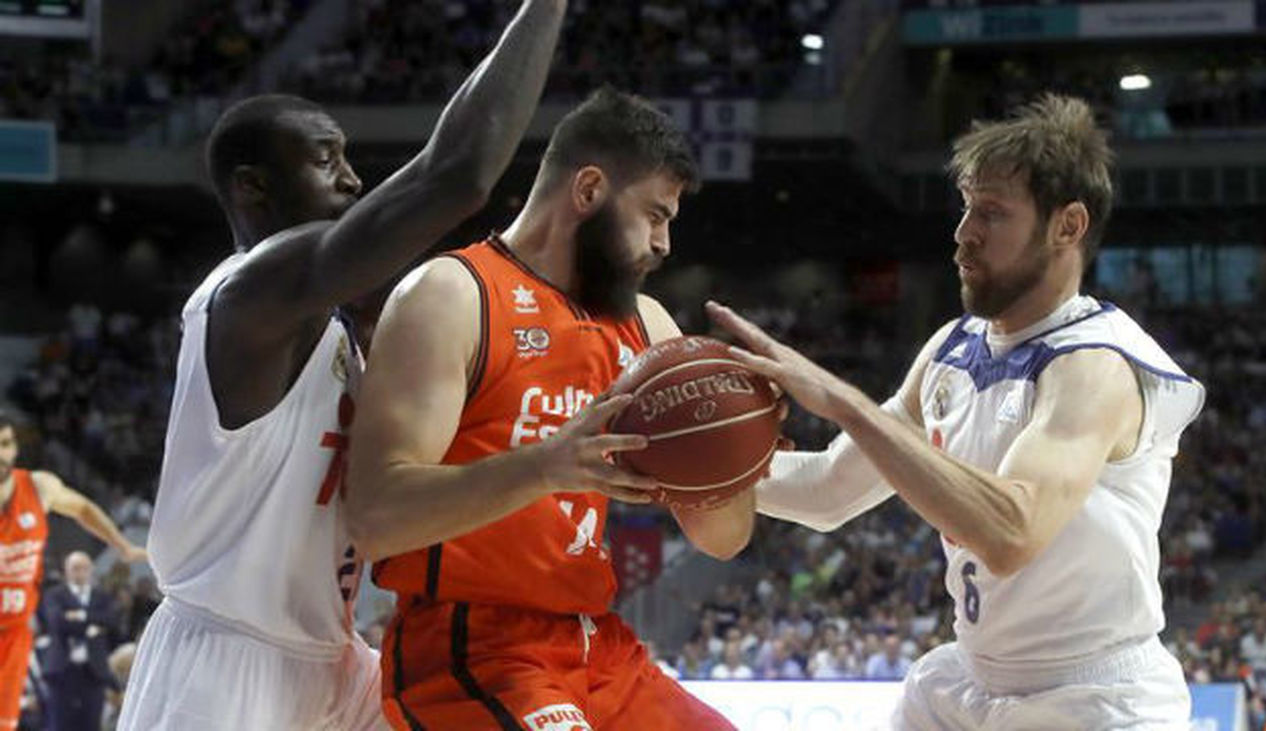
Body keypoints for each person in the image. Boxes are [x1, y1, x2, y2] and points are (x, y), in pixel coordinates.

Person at [117, 1, 569, 728]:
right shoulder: (247, 294)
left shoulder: (331, 328)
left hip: (331, 655)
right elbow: (454, 176)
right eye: (327, 159)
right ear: (252, 187)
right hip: (229, 662)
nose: (354, 179)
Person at [709, 94, 1205, 729]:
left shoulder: (1096, 365)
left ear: (1069, 225)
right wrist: (676, 468)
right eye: (967, 206)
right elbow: (832, 491)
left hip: (1095, 701)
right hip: (966, 683)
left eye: (992, 213)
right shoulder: (951, 347)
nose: (963, 232)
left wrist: (849, 406)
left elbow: (1011, 531)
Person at [346, 87, 749, 730]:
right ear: (589, 190)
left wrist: (738, 446)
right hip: (470, 648)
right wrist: (542, 467)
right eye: (652, 215)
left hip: (597, 645)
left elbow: (721, 540)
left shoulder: (646, 325)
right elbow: (373, 519)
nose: (665, 243)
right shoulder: (451, 294)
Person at [0, 415, 145, 731]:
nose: (0, 453)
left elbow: (81, 508)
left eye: (6, 444)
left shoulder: (38, 487)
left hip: (14, 634)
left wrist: (122, 545)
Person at [39, 552, 120, 731]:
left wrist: (79, 615)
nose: (80, 573)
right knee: (58, 724)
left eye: (84, 568)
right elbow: (57, 623)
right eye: (75, 568)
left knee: (90, 724)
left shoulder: (102, 596)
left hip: (93, 670)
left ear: (91, 570)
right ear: (66, 571)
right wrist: (93, 625)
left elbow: (112, 621)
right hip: (62, 669)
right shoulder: (54, 594)